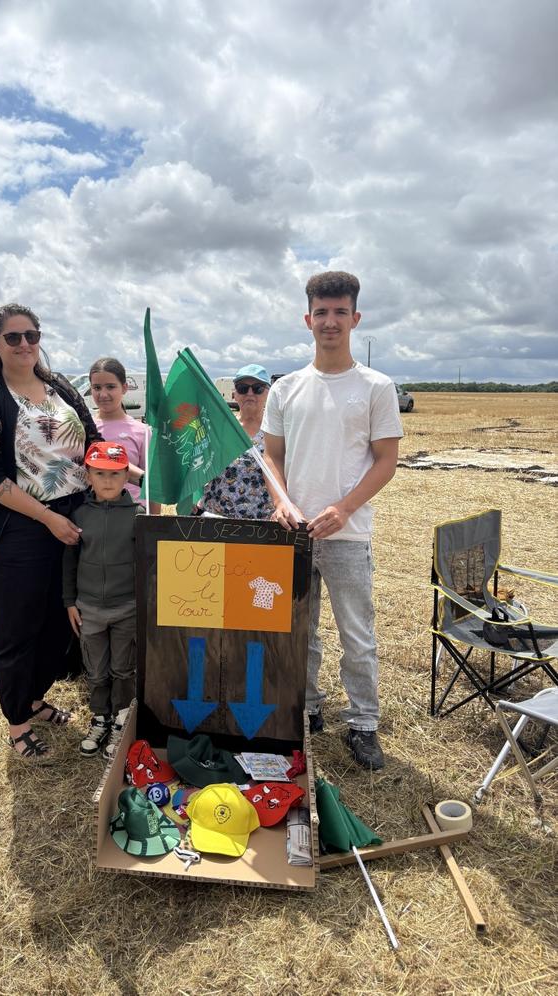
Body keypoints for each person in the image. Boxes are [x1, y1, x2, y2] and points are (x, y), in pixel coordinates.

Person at [262, 271, 403, 770]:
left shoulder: (376, 387)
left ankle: (363, 723)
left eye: (340, 312)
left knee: (356, 636)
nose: (330, 321)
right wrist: (281, 501)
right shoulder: (287, 389)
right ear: (307, 319)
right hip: (294, 536)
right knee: (300, 632)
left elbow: (387, 459)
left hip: (348, 535)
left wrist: (344, 507)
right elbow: (271, 457)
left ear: (355, 318)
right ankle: (310, 709)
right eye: (321, 312)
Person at [0, 302, 103, 764]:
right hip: (19, 523)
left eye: (32, 335)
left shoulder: (59, 384)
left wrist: (133, 471)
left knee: (60, 620)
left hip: (75, 514)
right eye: (13, 338)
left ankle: (35, 697)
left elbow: (96, 442)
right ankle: (17, 722)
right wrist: (47, 518)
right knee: (18, 623)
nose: (25, 345)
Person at [63, 441, 142, 759]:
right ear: (88, 475)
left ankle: (122, 720)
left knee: (124, 668)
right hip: (89, 608)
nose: (108, 480)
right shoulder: (79, 513)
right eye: (100, 473)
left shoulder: (138, 515)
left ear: (126, 476)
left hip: (127, 607)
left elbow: (147, 564)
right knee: (96, 669)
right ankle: (100, 718)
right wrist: (70, 600)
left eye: (115, 473)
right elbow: (69, 560)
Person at [197, 364, 274, 519]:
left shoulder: (276, 432)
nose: (250, 393)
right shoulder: (219, 427)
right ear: (234, 394)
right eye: (243, 388)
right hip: (217, 520)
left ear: (268, 393)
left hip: (262, 523)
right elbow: (200, 466)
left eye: (258, 388)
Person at [89, 357, 158, 512]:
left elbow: (153, 486)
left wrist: (154, 526)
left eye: (111, 387)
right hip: (93, 517)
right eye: (97, 387)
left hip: (134, 516)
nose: (103, 394)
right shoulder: (84, 428)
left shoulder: (142, 431)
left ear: (124, 388)